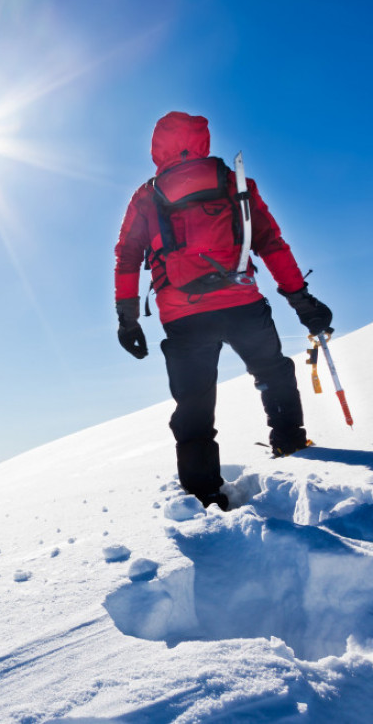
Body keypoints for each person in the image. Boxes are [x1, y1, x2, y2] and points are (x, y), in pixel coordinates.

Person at [113, 111, 333, 510]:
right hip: (241, 301)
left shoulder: (146, 195)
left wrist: (127, 319)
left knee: (194, 401)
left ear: (157, 147)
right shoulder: (234, 181)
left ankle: (203, 495)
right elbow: (271, 242)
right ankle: (289, 445)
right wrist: (301, 299)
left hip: (182, 313)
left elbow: (127, 257)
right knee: (272, 372)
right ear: (202, 139)